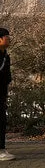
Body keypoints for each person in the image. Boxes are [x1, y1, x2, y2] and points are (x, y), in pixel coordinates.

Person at [0, 28, 13, 161]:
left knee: (2, 120)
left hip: (2, 93)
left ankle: (2, 148)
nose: (8, 39)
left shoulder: (5, 55)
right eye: (6, 37)